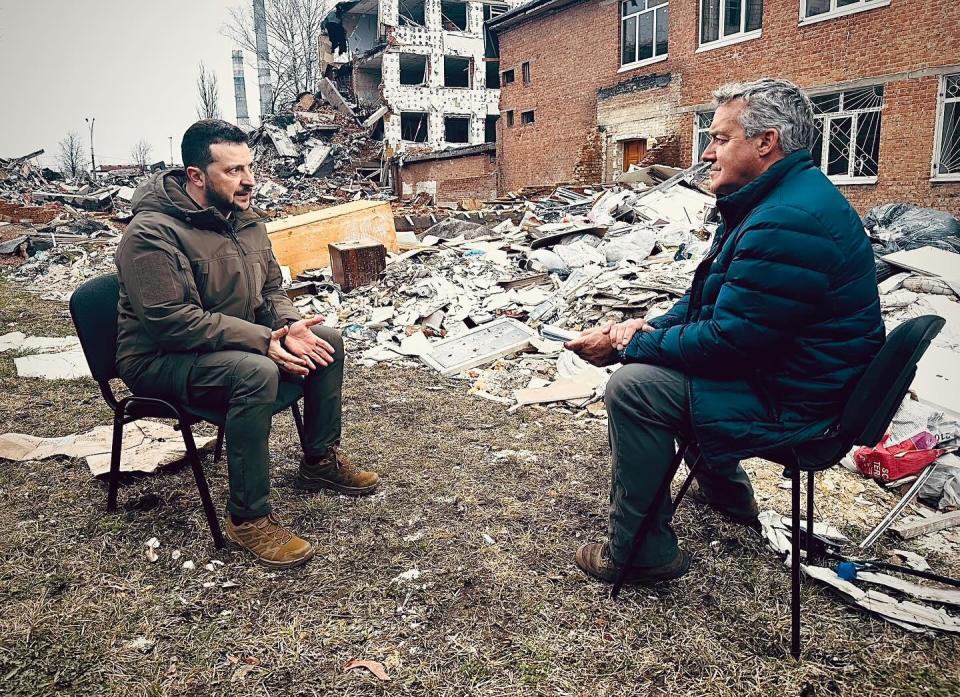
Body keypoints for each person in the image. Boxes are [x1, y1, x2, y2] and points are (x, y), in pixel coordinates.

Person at [565, 79, 884, 585]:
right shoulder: (774, 201)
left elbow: (727, 344)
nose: (707, 153)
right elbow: (708, 304)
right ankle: (728, 495)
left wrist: (630, 348)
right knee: (662, 363)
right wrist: (641, 330)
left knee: (636, 389)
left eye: (719, 138)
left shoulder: (787, 220)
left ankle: (639, 553)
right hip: (792, 377)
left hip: (799, 402)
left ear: (766, 142)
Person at [115, 119, 380, 569]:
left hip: (224, 345)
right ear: (196, 176)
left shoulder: (246, 222)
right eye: (234, 170)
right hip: (158, 359)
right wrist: (262, 341)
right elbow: (170, 323)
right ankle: (248, 518)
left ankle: (319, 460)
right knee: (254, 372)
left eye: (250, 167)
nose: (249, 180)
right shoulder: (151, 234)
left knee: (326, 340)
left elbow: (271, 291)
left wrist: (289, 325)